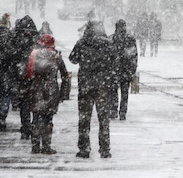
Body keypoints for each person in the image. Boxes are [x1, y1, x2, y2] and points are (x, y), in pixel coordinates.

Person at [69, 20, 115, 159]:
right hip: (103, 86)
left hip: (86, 85)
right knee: (104, 119)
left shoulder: (82, 42)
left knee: (84, 119)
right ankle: (105, 149)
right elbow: (115, 61)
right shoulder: (108, 44)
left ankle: (84, 148)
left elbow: (73, 58)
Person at [25, 34, 68, 154]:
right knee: (48, 119)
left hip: (36, 89)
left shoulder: (34, 55)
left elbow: (27, 74)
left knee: (36, 118)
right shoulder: (56, 56)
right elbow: (65, 75)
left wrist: (25, 90)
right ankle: (46, 146)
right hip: (51, 90)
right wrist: (64, 94)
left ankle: (35, 146)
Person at [8, 15, 39, 139]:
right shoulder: (36, 40)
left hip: (22, 76)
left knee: (25, 104)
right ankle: (33, 127)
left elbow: (10, 57)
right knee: (34, 104)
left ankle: (26, 128)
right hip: (34, 76)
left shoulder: (15, 40)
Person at [110, 19, 138, 120]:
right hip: (126, 70)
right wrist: (133, 69)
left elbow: (108, 55)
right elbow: (134, 55)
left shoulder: (111, 38)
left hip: (114, 69)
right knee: (124, 92)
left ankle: (113, 110)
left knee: (113, 91)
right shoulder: (130, 39)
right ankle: (122, 112)